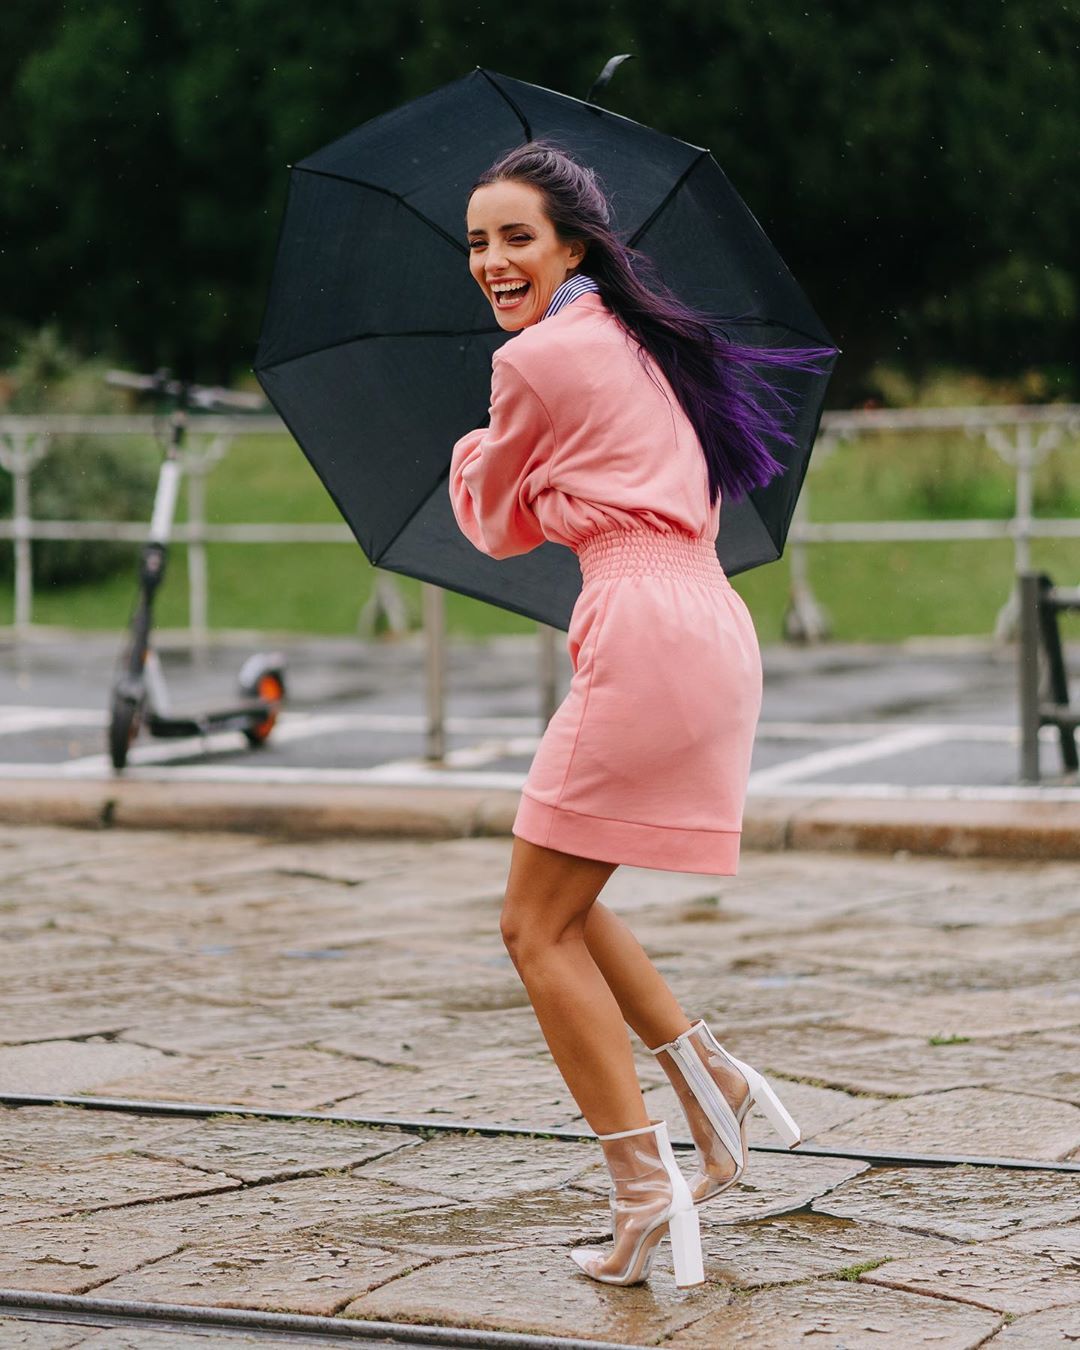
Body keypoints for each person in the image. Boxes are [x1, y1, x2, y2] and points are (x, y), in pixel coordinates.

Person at [449, 140, 827, 1289]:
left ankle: (641, 1184)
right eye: (476, 242)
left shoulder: (536, 360)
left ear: (572, 245)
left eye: (516, 237)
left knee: (532, 926)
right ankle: (709, 1083)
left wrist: (478, 451)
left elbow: (493, 525)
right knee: (565, 896)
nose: (492, 260)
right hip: (707, 619)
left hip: (643, 627)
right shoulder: (647, 341)